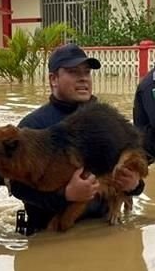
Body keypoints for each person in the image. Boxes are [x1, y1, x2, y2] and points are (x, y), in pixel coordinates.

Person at [8, 43, 144, 235]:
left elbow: (138, 165)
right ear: (53, 79)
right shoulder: (33, 127)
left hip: (102, 231)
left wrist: (134, 185)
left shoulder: (108, 121)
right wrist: (66, 195)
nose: (83, 78)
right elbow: (18, 188)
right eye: (73, 72)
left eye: (87, 72)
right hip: (50, 235)